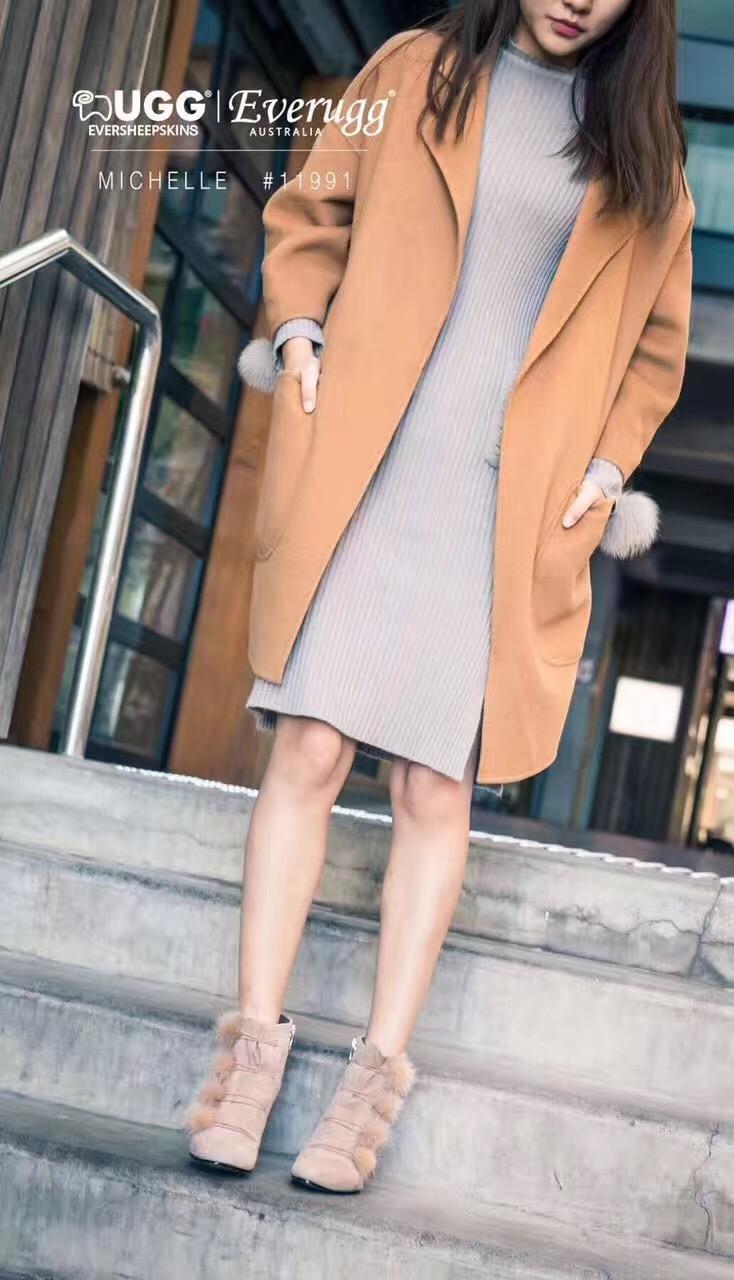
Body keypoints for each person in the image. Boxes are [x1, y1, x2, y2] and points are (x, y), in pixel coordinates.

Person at [184, 0, 694, 1193]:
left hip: (501, 505)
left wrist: (603, 469)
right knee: (309, 745)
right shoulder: (414, 68)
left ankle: (372, 1079)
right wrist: (297, 330)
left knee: (430, 783)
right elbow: (312, 206)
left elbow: (652, 351)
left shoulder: (643, 153)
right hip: (365, 465)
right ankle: (248, 1058)